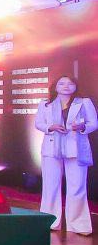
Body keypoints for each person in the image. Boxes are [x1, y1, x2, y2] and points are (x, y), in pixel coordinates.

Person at [35, 75, 96, 234]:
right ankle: (50, 222)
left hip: (76, 148)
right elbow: (38, 123)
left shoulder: (84, 102)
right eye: (62, 83)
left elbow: (93, 123)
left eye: (70, 83)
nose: (66, 86)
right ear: (55, 86)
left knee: (77, 187)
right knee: (50, 186)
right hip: (51, 148)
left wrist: (82, 127)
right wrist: (51, 127)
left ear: (75, 86)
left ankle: (78, 225)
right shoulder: (45, 103)